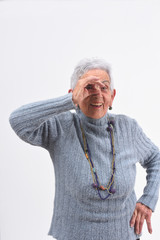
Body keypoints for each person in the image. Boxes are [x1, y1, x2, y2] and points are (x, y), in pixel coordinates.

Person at [9, 58, 160, 240]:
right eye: (89, 87)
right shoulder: (61, 127)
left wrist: (148, 200)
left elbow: (156, 158)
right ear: (75, 94)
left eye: (104, 87)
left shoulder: (128, 128)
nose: (97, 94)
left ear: (112, 96)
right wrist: (69, 101)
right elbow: (18, 121)